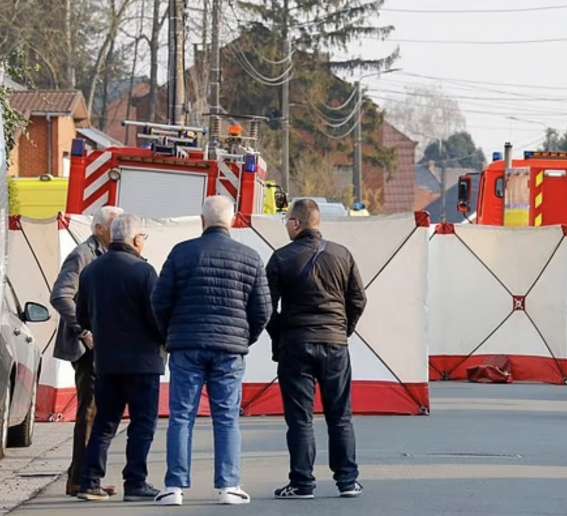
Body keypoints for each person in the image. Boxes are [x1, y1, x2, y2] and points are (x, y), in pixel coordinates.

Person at [152, 196, 270, 506]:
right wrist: (245, 337)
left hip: (186, 346)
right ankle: (228, 486)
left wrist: (170, 334)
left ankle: (174, 487)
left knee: (181, 416)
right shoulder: (250, 257)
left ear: (202, 221)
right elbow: (263, 310)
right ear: (232, 221)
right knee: (227, 416)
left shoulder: (181, 253)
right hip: (230, 350)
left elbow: (160, 301)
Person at [266, 198, 367, 500]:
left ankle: (302, 483)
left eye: (287, 221)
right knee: (340, 417)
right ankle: (347, 481)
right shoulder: (342, 254)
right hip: (335, 345)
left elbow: (266, 307)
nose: (286, 225)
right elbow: (358, 300)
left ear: (296, 224)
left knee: (300, 418)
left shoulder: (281, 258)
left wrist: (282, 334)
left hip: (296, 346)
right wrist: (342, 329)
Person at [75, 214, 164, 502]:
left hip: (107, 360)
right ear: (135, 239)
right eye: (143, 237)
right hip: (143, 362)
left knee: (104, 423)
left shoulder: (91, 271)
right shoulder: (144, 272)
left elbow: (82, 316)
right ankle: (135, 482)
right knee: (142, 423)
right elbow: (156, 317)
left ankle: (90, 481)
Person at [50, 205, 123, 497]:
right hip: (86, 349)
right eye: (114, 226)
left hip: (101, 347)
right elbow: (60, 295)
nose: (119, 232)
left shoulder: (104, 254)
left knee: (97, 410)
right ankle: (81, 480)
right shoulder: (83, 254)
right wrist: (83, 330)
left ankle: (84, 475)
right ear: (100, 229)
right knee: (90, 411)